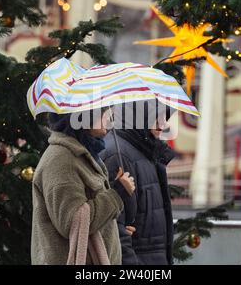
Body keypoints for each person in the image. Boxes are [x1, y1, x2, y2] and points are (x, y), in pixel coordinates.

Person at [31, 108, 135, 265]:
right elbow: (72, 221)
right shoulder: (62, 159)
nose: (109, 118)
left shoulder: (84, 154)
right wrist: (117, 194)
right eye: (104, 112)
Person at [100, 101, 176, 265]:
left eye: (166, 116)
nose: (163, 123)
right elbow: (114, 228)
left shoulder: (145, 150)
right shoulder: (117, 154)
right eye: (158, 116)